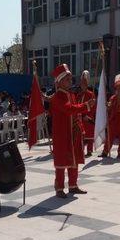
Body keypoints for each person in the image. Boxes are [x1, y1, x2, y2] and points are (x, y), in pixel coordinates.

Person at [49, 64, 93, 198]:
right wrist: (85, 105)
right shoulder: (57, 97)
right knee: (62, 162)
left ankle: (73, 186)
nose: (70, 81)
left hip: (74, 132)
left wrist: (81, 128)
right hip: (62, 134)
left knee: (75, 161)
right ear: (60, 81)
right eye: (67, 79)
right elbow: (69, 109)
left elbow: (76, 113)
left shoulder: (71, 95)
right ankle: (59, 188)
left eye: (70, 78)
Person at [101, 74, 120, 160]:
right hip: (113, 120)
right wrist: (107, 106)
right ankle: (105, 152)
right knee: (109, 137)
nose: (118, 90)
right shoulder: (112, 98)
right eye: (117, 88)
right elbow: (109, 107)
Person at [76, 70, 96, 157]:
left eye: (84, 84)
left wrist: (88, 116)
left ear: (87, 85)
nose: (82, 86)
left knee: (89, 134)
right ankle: (81, 150)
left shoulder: (91, 94)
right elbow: (76, 105)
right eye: (81, 84)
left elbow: (93, 106)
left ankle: (89, 150)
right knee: (81, 135)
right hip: (80, 117)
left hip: (88, 117)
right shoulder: (78, 95)